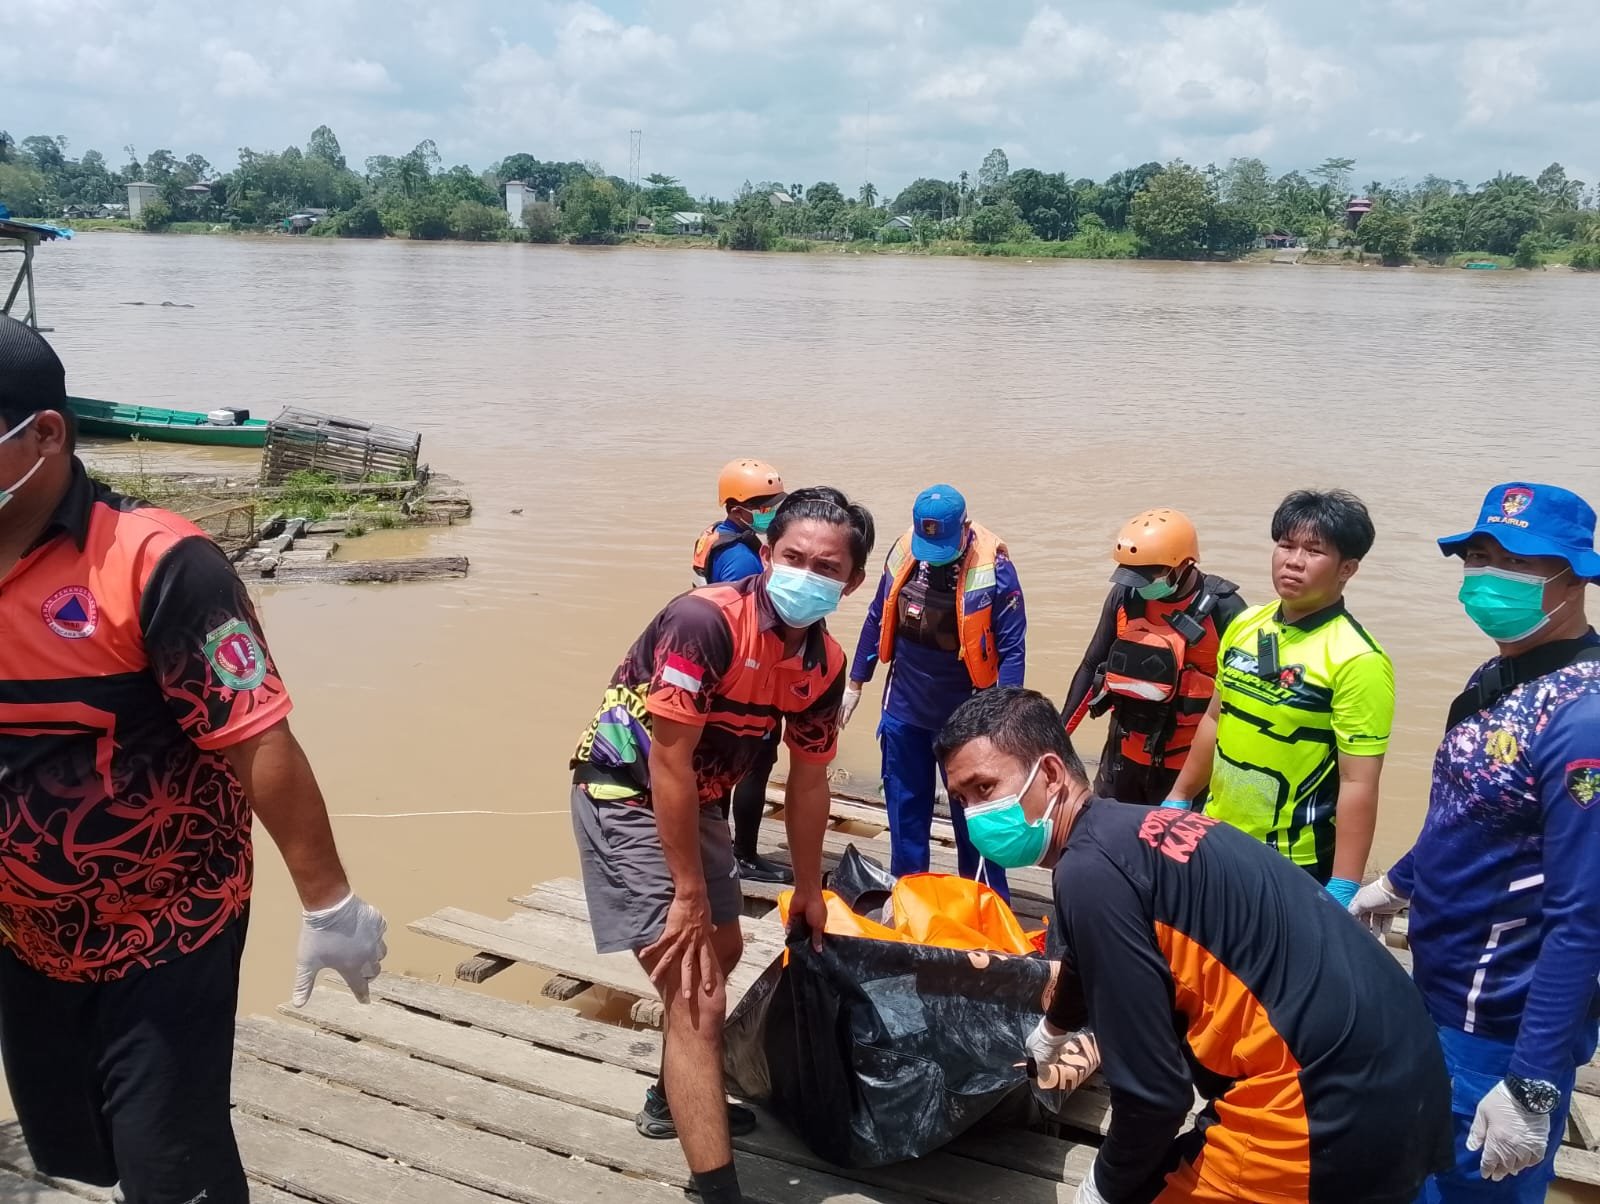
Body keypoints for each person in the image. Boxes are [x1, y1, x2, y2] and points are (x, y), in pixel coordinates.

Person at [0, 315, 387, 1203]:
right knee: (73, 1150)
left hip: (166, 926)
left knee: (169, 1165)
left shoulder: (158, 565)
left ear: (44, 434)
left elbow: (256, 733)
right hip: (26, 937)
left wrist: (331, 901)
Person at [937, 687, 1452, 1204]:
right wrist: (1054, 1028)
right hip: (1409, 1077)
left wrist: (1100, 1190)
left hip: (1324, 1115)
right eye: (962, 800)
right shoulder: (1125, 830)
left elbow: (1155, 1096)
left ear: (1049, 774)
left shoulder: (1089, 874)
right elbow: (1084, 958)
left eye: (985, 787)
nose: (976, 814)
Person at [571, 485, 873, 1204]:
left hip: (698, 803)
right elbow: (668, 760)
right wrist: (686, 893)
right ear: (765, 554)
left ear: (853, 582)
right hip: (625, 790)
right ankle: (716, 1192)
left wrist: (808, 888)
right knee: (697, 991)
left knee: (727, 949)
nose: (807, 573)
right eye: (793, 556)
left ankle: (667, 1097)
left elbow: (807, 782)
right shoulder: (703, 621)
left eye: (826, 567)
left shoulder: (824, 667)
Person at [1351, 481, 1600, 1201]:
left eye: (1518, 562)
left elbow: (1584, 921)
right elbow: (1466, 812)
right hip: (1438, 988)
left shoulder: (1582, 723)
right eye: (1481, 555)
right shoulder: (1496, 676)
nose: (1490, 576)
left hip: (1503, 1026)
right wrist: (1398, 882)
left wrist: (1531, 1083)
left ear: (1574, 575)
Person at [1164, 489, 1393, 908]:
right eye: (1286, 545)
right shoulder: (1247, 624)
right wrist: (1179, 796)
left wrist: (1344, 884)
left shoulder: (1358, 658)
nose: (1294, 560)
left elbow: (1358, 780)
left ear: (1348, 568)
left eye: (1314, 550)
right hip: (1215, 831)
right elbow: (1216, 718)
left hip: (1294, 859)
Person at [841, 484, 1025, 897]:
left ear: (964, 528)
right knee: (905, 809)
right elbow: (877, 617)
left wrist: (1005, 716)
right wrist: (855, 682)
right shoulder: (904, 552)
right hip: (905, 708)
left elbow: (1013, 647)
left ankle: (984, 901)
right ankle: (910, 895)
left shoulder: (995, 569)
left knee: (978, 819)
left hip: (968, 714)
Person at [1062, 508, 1245, 804]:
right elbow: (1091, 664)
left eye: (1149, 574)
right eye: (1131, 574)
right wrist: (1060, 737)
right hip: (1122, 760)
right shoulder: (1124, 596)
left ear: (1184, 564)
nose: (1139, 583)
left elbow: (1244, 696)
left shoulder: (1225, 609)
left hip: (1188, 771)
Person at [692, 458, 793, 884]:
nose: (774, 508)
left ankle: (718, 851)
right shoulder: (740, 558)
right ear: (737, 509)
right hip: (744, 676)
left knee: (723, 766)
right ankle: (743, 855)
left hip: (719, 672)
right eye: (765, 503)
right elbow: (750, 622)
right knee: (754, 760)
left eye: (776, 500)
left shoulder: (719, 539)